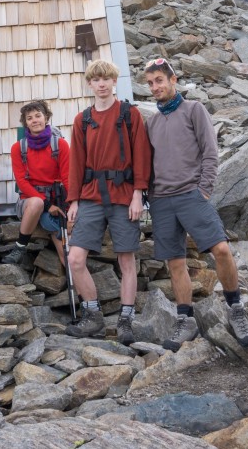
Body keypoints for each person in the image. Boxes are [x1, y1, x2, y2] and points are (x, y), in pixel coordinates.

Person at [144, 57, 248, 350]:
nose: (155, 87)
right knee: (176, 262)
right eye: (151, 83)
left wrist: (204, 190)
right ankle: (186, 320)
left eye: (159, 80)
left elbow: (210, 151)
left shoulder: (194, 110)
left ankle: (235, 308)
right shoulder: (152, 122)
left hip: (192, 195)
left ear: (173, 80)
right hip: (162, 201)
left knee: (220, 248)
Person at [65, 60, 151, 345]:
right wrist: (73, 200)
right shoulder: (83, 120)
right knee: (75, 259)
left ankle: (126, 321)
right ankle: (93, 316)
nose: (101, 84)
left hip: (124, 196)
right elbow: (76, 162)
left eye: (106, 79)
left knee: (126, 259)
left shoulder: (129, 114)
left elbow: (141, 155)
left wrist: (138, 193)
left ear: (114, 82)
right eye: (96, 79)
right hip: (90, 196)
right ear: (90, 84)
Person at [5, 100, 71, 266]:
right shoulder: (18, 148)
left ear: (46, 118)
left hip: (58, 202)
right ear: (25, 123)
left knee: (67, 256)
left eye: (38, 116)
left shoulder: (60, 145)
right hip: (30, 201)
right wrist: (47, 204)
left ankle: (78, 291)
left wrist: (69, 209)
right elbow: (21, 182)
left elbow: (68, 179)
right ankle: (20, 247)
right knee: (36, 203)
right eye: (29, 118)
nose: (34, 120)